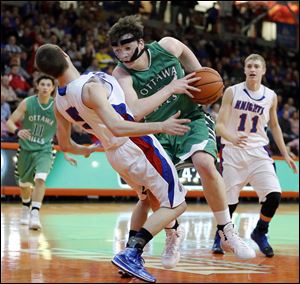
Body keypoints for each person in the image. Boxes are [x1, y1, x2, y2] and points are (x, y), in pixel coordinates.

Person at [34, 43, 192, 283]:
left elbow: (65, 145)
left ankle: (129, 258)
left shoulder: (59, 102)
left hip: (115, 155)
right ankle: (132, 253)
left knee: (145, 199)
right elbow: (117, 127)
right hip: (137, 146)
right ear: (66, 55)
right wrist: (161, 125)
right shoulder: (90, 87)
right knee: (176, 204)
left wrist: (84, 149)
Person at [107, 14, 255, 267]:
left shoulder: (167, 46)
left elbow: (185, 51)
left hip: (191, 117)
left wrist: (199, 77)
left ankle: (226, 230)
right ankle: (172, 234)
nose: (122, 55)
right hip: (157, 130)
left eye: (127, 48)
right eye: (117, 50)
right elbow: (135, 111)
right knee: (156, 192)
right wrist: (170, 88)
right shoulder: (121, 75)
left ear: (141, 43)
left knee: (205, 164)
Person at [215, 54, 298, 257]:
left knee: (274, 196)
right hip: (233, 151)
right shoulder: (232, 92)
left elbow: (275, 126)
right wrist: (231, 137)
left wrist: (285, 153)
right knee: (229, 203)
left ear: (263, 70)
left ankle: (260, 232)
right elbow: (219, 126)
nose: (252, 69)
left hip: (259, 152)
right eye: (249, 66)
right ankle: (221, 236)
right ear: (244, 70)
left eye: (256, 66)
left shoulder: (270, 96)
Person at [6, 74, 77, 230]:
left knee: (40, 179)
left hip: (45, 150)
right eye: (42, 84)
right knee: (24, 185)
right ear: (37, 86)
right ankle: (26, 206)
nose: (45, 87)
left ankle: (35, 213)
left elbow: (62, 133)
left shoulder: (56, 107)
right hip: (25, 149)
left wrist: (65, 152)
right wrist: (17, 131)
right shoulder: (27, 102)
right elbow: (10, 121)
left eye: (48, 85)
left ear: (53, 88)